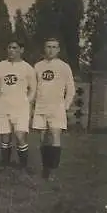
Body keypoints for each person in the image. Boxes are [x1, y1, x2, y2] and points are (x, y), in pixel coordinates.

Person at [32, 37, 76, 180]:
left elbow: (71, 90)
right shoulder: (37, 66)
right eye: (48, 47)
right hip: (40, 107)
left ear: (58, 50)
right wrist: (30, 105)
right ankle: (45, 167)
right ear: (44, 48)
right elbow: (33, 87)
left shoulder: (64, 67)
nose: (50, 50)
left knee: (55, 137)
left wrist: (65, 106)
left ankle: (53, 170)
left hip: (57, 108)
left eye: (53, 47)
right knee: (43, 138)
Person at [0, 38, 36, 174]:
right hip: (4, 106)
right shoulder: (0, 66)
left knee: (19, 136)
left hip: (21, 107)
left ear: (21, 50)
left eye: (15, 48)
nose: (11, 51)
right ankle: (4, 164)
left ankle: (23, 166)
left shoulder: (27, 68)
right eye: (9, 48)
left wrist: (26, 101)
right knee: (5, 136)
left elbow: (33, 88)